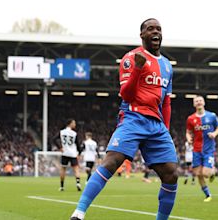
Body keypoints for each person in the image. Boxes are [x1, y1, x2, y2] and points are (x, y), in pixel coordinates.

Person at [70, 18, 178, 220]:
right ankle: (79, 213)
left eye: (159, 29)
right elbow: (126, 94)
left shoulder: (167, 66)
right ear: (142, 34)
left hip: (157, 124)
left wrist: (166, 131)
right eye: (150, 29)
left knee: (171, 173)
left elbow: (166, 103)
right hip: (133, 117)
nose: (155, 32)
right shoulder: (131, 58)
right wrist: (138, 69)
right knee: (111, 162)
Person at [186, 95, 218, 202]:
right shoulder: (190, 119)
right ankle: (208, 194)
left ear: (204, 102)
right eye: (196, 101)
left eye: (200, 100)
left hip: (208, 149)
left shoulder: (212, 116)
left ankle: (213, 171)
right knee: (198, 174)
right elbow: (188, 132)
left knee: (206, 174)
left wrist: (214, 134)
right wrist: (188, 139)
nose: (198, 102)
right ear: (194, 104)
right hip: (196, 149)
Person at [55, 119, 82, 192]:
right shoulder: (74, 133)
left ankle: (62, 186)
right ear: (70, 124)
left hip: (65, 153)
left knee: (63, 169)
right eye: (74, 123)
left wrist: (60, 147)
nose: (75, 124)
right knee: (76, 169)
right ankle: (78, 183)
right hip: (73, 153)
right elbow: (78, 145)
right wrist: (79, 153)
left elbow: (54, 139)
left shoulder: (61, 132)